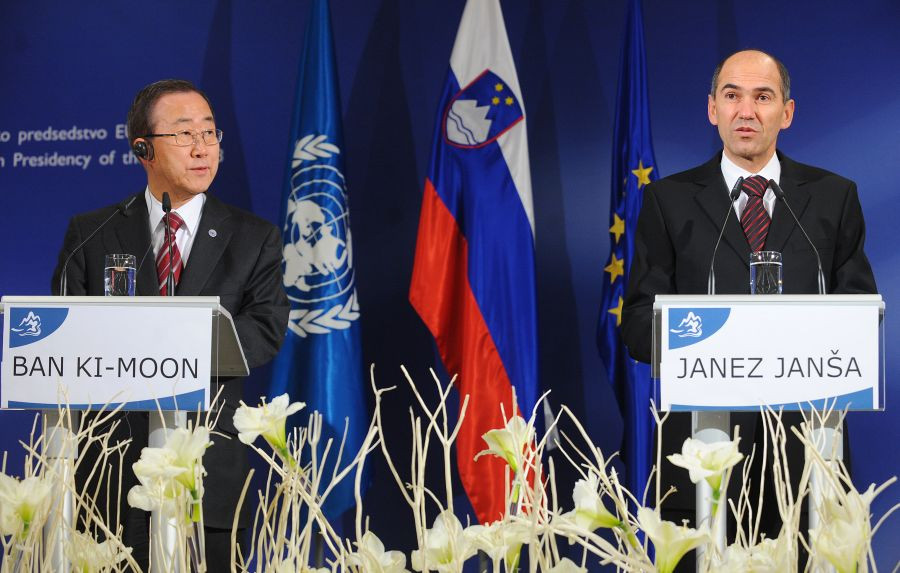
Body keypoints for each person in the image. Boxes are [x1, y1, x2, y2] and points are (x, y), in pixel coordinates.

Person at [621, 50, 877, 546]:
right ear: (712, 109)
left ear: (788, 112)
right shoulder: (669, 202)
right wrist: (711, 338)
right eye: (732, 95)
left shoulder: (832, 197)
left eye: (763, 97)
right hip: (703, 455)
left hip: (809, 457)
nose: (746, 110)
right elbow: (636, 325)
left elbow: (861, 320)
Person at [51, 79, 290, 569]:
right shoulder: (93, 233)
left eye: (210, 133)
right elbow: (64, 333)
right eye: (184, 134)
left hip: (206, 476)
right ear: (143, 148)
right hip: (110, 477)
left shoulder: (253, 238)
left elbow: (265, 329)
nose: (203, 147)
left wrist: (173, 345)